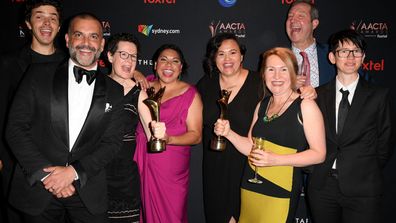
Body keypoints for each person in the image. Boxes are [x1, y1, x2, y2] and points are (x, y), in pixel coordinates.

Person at [5, 12, 125, 223]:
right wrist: (48, 176)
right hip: (39, 190)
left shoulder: (115, 90)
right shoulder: (37, 74)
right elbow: (15, 128)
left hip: (87, 190)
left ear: (102, 43)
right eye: (79, 35)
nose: (86, 43)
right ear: (68, 39)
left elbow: (112, 143)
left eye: (93, 36)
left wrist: (73, 172)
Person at [197, 33, 316, 223]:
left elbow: (285, 95)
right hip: (215, 169)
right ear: (214, 58)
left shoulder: (260, 83)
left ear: (242, 56)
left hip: (250, 168)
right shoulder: (205, 84)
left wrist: (308, 91)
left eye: (233, 52)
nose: (227, 59)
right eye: (221, 54)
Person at [307, 29, 394, 223]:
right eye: (343, 51)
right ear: (332, 57)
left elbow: (385, 143)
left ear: (363, 57)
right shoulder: (317, 96)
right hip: (322, 187)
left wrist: (363, 169)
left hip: (363, 189)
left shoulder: (378, 96)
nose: (350, 57)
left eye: (356, 51)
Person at [0, 1, 65, 222]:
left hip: (60, 171)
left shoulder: (71, 64)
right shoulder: (8, 64)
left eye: (53, 18)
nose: (47, 23)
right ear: (28, 23)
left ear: (59, 26)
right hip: (16, 164)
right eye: (40, 16)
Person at [134, 44, 203, 223]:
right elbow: (121, 75)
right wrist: (135, 73)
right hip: (142, 158)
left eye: (175, 61)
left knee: (172, 216)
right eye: (163, 60)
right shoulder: (144, 85)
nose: (168, 65)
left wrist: (169, 139)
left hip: (171, 168)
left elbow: (196, 135)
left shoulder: (190, 94)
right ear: (155, 64)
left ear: (181, 68)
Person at [105, 33, 152, 222]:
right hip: (95, 174)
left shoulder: (138, 93)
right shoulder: (95, 86)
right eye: (123, 54)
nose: (129, 60)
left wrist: (158, 133)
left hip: (125, 179)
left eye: (133, 56)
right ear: (110, 56)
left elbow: (152, 135)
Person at [286, 0, 336, 88]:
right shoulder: (277, 58)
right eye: (290, 16)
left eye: (300, 16)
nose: (293, 20)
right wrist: (288, 87)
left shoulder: (334, 54)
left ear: (314, 24)